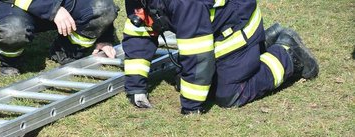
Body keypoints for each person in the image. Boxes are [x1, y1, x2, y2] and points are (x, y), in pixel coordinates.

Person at [122, 0, 319, 114]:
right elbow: (139, 31)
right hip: (212, 29)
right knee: (189, 83)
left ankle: (288, 54)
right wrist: (136, 88)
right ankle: (263, 43)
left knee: (228, 95)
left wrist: (191, 108)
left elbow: (198, 54)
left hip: (237, 29)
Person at [0, 0, 119, 76]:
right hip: (17, 5)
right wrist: (52, 9)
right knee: (12, 31)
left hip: (62, 4)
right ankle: (10, 61)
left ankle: (66, 51)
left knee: (103, 8)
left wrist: (104, 36)